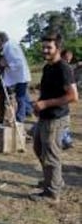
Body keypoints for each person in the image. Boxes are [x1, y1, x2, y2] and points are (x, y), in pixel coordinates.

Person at [30, 32, 79, 202]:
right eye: (43, 47)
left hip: (56, 118)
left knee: (51, 155)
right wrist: (39, 104)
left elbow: (73, 96)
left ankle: (52, 193)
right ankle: (52, 180)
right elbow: (48, 92)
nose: (45, 50)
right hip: (44, 116)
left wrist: (46, 104)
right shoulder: (48, 67)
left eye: (49, 47)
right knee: (38, 148)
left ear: (58, 48)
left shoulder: (63, 68)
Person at [0, 32, 32, 123]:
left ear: (0, 40)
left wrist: (5, 64)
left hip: (20, 76)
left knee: (20, 98)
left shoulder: (10, 46)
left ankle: (20, 119)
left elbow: (18, 62)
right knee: (20, 97)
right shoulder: (8, 45)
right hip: (16, 76)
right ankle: (23, 114)